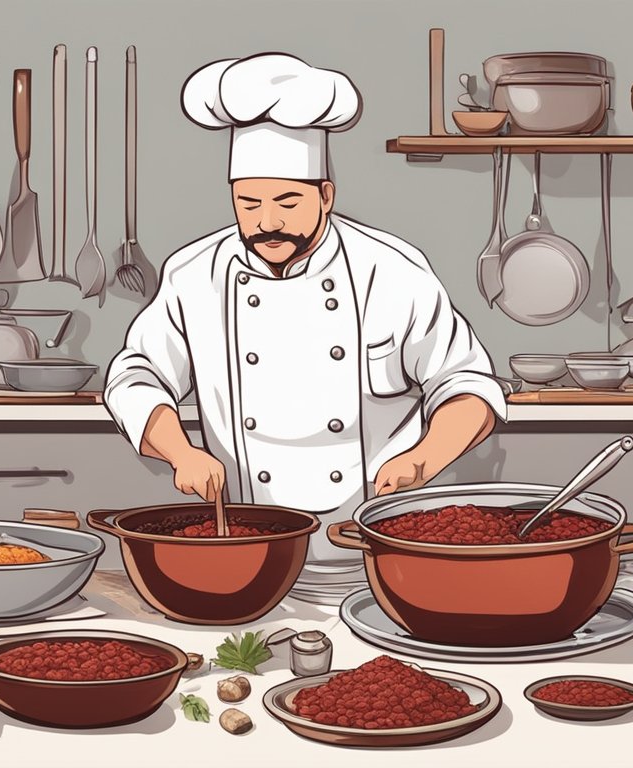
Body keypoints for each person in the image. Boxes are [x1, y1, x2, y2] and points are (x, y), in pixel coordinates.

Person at [105, 53, 505, 603]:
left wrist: (423, 458)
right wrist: (181, 452)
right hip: (248, 559)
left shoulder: (389, 270)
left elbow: (468, 385)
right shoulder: (194, 273)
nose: (267, 222)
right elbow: (136, 375)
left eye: (288, 202)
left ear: (326, 195)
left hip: (379, 559)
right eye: (248, 203)